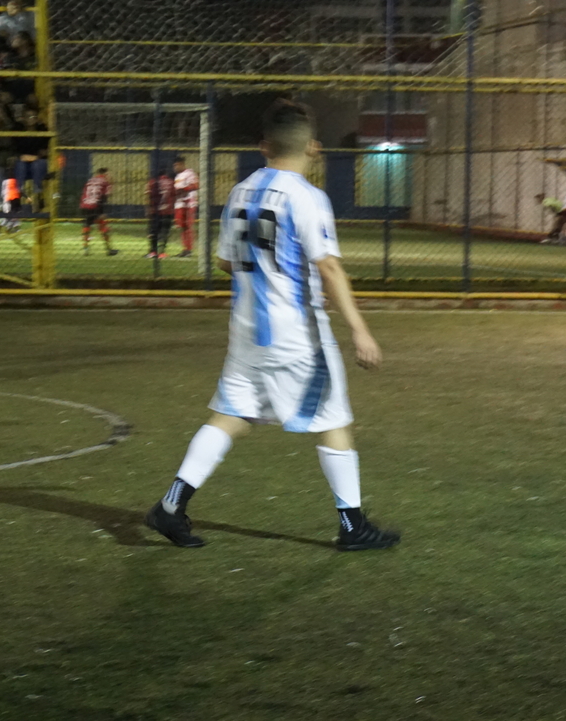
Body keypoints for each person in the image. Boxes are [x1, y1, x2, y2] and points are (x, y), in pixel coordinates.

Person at [144, 100, 400, 552]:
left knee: (231, 416)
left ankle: (171, 505)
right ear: (314, 148)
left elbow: (226, 262)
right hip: (296, 336)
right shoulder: (307, 197)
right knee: (333, 419)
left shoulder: (241, 192)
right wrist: (360, 329)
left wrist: (266, 275)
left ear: (264, 147)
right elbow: (329, 267)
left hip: (246, 332)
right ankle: (353, 526)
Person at [12, 107, 47, 210]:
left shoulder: (43, 131)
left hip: (38, 161)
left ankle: (38, 194)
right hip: (23, 161)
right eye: (28, 116)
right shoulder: (17, 132)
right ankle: (18, 194)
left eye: (33, 116)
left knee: (37, 164)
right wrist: (22, 156)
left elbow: (44, 150)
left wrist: (36, 157)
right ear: (23, 118)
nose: (31, 119)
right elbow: (15, 148)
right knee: (20, 165)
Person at [80, 167, 117, 256]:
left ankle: (86, 249)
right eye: (109, 174)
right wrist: (102, 212)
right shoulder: (105, 182)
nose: (110, 176)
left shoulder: (90, 181)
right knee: (103, 226)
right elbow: (104, 197)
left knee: (87, 226)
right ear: (105, 174)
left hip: (85, 205)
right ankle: (109, 249)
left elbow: (84, 193)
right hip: (96, 206)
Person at [173, 155, 199, 257]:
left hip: (189, 203)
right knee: (182, 227)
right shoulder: (177, 176)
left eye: (177, 165)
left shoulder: (189, 173)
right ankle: (185, 249)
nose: (175, 167)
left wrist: (184, 189)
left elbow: (196, 185)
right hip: (180, 203)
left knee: (188, 226)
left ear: (182, 164)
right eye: (174, 165)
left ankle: (189, 249)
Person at [146, 169, 175, 259]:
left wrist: (149, 209)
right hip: (167, 211)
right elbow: (174, 195)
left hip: (156, 211)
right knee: (165, 232)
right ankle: (162, 252)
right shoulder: (171, 182)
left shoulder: (153, 182)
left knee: (154, 231)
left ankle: (153, 251)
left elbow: (148, 195)